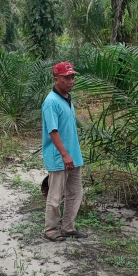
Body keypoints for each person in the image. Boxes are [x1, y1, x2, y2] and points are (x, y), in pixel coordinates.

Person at [42, 61, 87, 242]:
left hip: (73, 155)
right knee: (55, 194)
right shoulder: (51, 102)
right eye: (66, 77)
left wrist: (72, 154)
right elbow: (53, 131)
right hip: (59, 157)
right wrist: (64, 154)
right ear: (56, 79)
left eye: (72, 77)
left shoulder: (67, 99)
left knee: (75, 192)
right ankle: (50, 229)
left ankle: (68, 227)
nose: (71, 81)